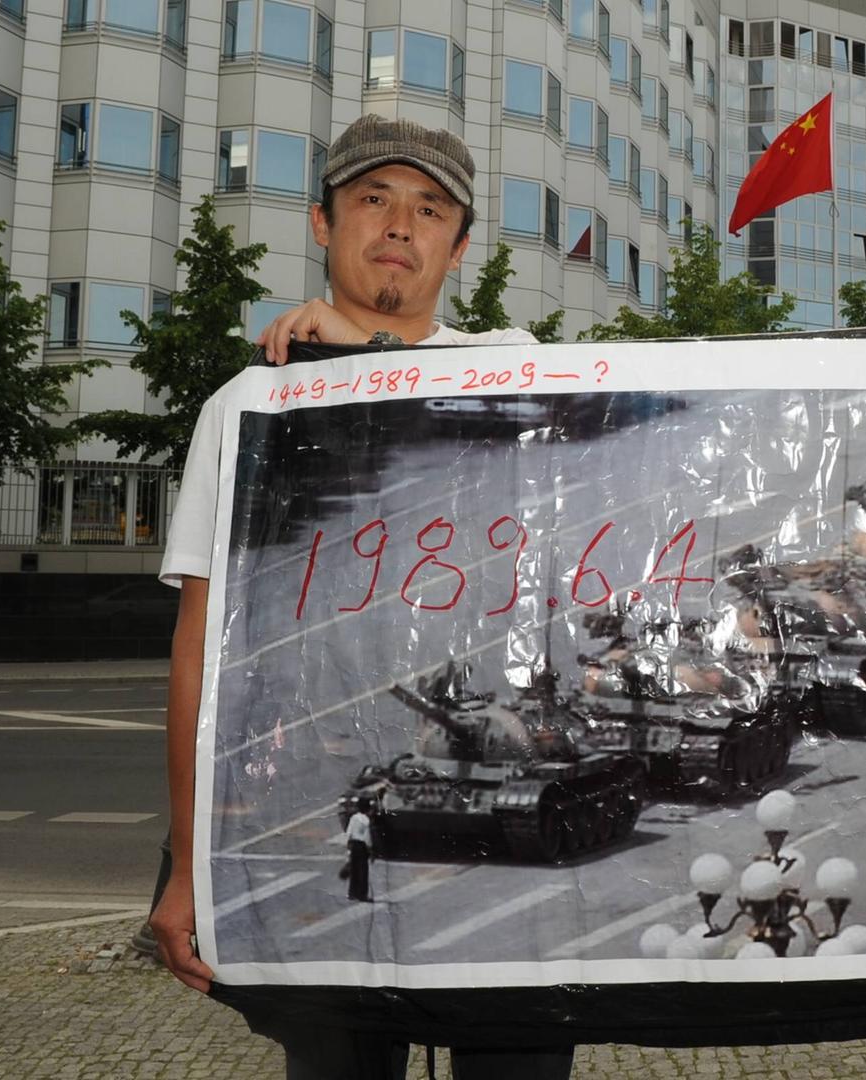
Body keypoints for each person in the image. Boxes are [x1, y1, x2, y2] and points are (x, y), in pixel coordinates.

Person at [149, 114, 568, 1080]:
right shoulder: (249, 408)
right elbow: (200, 646)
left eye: (429, 209)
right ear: (321, 223)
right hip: (318, 792)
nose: (398, 225)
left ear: (459, 247)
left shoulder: (512, 369)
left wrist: (360, 349)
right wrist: (185, 863)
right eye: (372, 198)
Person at [342, 800, 374, 903]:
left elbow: (349, 833)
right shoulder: (366, 820)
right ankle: (362, 895)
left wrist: (348, 846)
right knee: (363, 871)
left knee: (354, 869)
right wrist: (371, 850)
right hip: (362, 846)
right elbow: (367, 837)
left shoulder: (353, 817)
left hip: (353, 844)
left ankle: (352, 893)